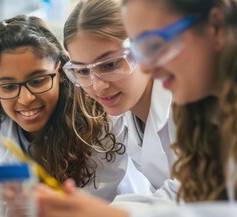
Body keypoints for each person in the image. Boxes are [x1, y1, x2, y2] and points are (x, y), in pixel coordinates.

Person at [39, 0, 237, 217]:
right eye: (82, 71)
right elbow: (193, 194)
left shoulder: (207, 109)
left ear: (216, 27)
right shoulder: (199, 111)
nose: (147, 67)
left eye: (157, 45)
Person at [0, 15, 144, 214]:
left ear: (59, 71)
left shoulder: (100, 121)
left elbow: (87, 210)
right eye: (9, 86)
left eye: (38, 80)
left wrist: (22, 202)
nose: (25, 98)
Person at [62, 0, 178, 201]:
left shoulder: (183, 103)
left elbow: (194, 193)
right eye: (82, 71)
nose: (98, 87)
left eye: (109, 65)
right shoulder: (125, 117)